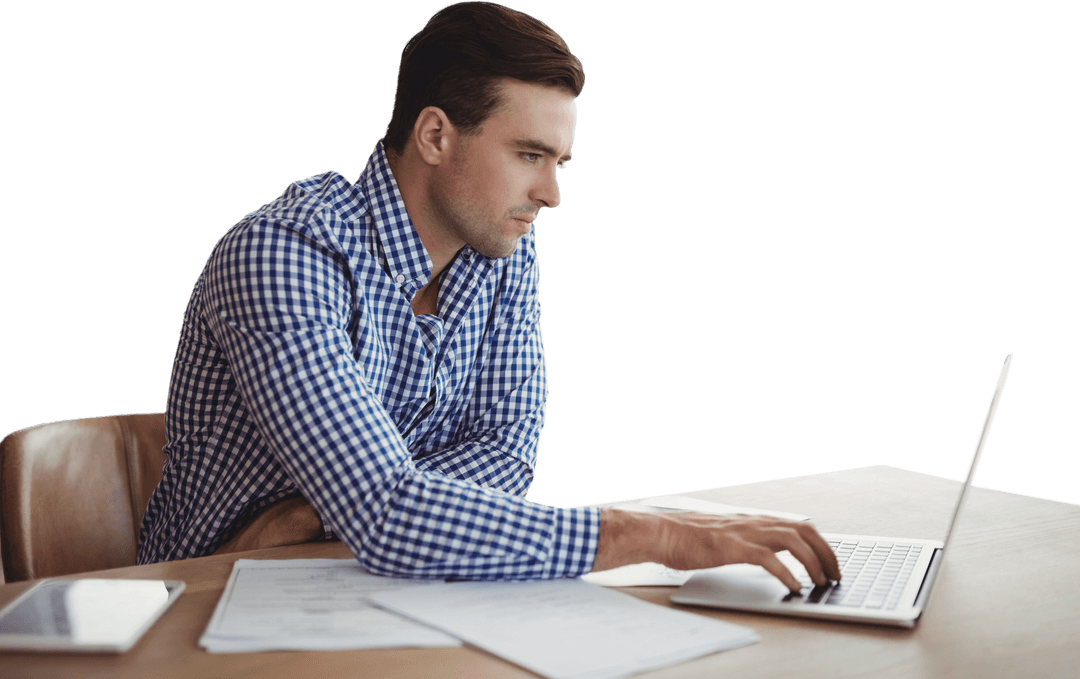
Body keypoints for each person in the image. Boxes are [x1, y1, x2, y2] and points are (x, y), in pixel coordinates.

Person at [138, 1, 840, 591]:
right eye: (529, 155)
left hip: (370, 582)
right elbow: (384, 513)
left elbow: (506, 454)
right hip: (203, 598)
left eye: (559, 163)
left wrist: (320, 512)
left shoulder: (502, 250)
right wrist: (652, 533)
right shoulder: (283, 253)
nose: (552, 194)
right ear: (435, 135)